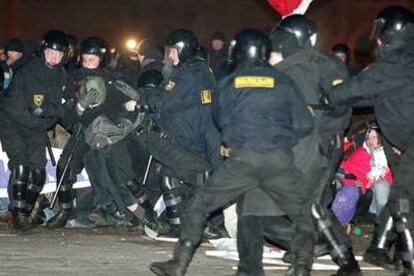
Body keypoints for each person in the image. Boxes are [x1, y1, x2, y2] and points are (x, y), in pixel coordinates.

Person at [149, 28, 316, 276]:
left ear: (238, 51)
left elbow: (219, 118)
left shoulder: (229, 82)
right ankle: (301, 266)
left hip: (243, 159)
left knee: (201, 206)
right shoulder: (284, 81)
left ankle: (178, 264)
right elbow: (304, 124)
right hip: (278, 158)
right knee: (301, 213)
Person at [325, 6, 414, 274]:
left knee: (402, 200)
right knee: (404, 197)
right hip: (404, 143)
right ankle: (381, 247)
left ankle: (410, 262)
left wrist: (325, 92)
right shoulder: (404, 63)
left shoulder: (394, 64)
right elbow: (376, 95)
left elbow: (347, 93)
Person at [0, 30, 68, 231]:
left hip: (36, 127)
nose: (54, 57)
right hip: (13, 123)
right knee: (21, 167)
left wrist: (46, 114)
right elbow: (17, 106)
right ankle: (19, 215)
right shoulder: (28, 71)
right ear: (43, 50)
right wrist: (44, 115)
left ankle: (24, 210)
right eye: (50, 52)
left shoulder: (61, 75)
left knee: (38, 173)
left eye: (58, 54)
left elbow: (60, 107)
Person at [332, 126, 393, 226]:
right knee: (342, 192)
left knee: (349, 194)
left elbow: (390, 176)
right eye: (368, 137)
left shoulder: (385, 157)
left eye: (374, 137)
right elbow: (346, 155)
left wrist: (372, 181)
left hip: (362, 183)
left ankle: (381, 224)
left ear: (380, 138)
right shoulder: (361, 150)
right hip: (347, 177)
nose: (370, 140)